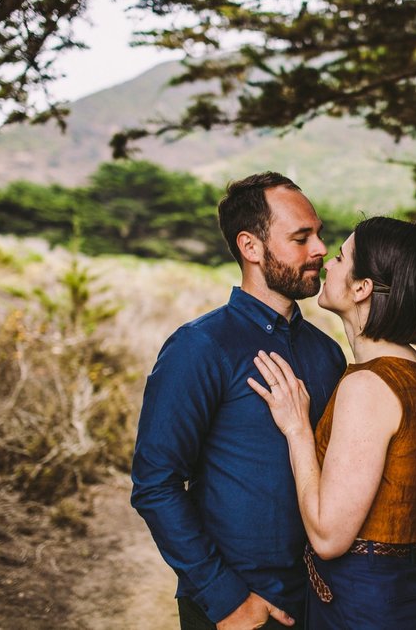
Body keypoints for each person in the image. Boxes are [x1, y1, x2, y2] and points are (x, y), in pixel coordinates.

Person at [130, 172, 347, 630]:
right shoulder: (199, 347)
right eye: (301, 237)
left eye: (320, 234)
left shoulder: (326, 353)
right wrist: (225, 599)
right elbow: (155, 483)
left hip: (319, 604)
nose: (320, 249)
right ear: (250, 247)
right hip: (238, 610)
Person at [247, 216, 416, 629]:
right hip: (407, 590)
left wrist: (297, 429)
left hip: (367, 602)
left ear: (362, 288)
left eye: (341, 257)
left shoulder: (368, 385)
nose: (327, 262)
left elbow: (328, 538)